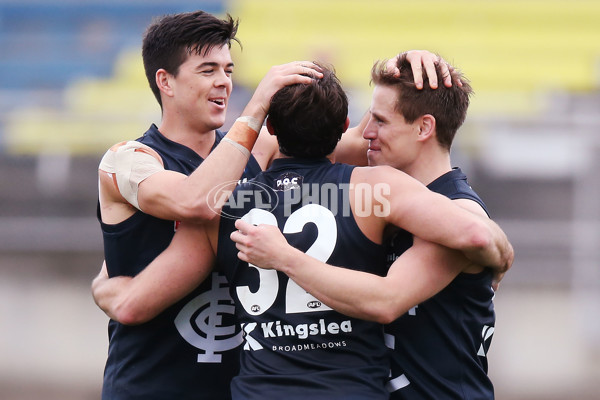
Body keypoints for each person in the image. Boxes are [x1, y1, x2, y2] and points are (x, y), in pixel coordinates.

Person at [93, 62, 513, 399]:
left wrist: (106, 287)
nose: (369, 132)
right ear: (344, 124)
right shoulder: (377, 189)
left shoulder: (226, 207)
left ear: (271, 130)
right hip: (352, 389)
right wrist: (501, 254)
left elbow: (135, 301)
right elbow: (474, 237)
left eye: (379, 121)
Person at [231, 54, 509, 399]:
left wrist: (283, 256)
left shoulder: (455, 212)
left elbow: (387, 300)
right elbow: (300, 144)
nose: (367, 134)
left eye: (379, 121)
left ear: (423, 128)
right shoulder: (399, 200)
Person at [95, 10, 325, 400]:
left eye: (228, 69)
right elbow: (195, 200)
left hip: (238, 388)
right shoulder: (128, 160)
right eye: (207, 70)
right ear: (165, 81)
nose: (223, 82)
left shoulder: (258, 149)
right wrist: (254, 109)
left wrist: (408, 68)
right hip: (148, 388)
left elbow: (367, 139)